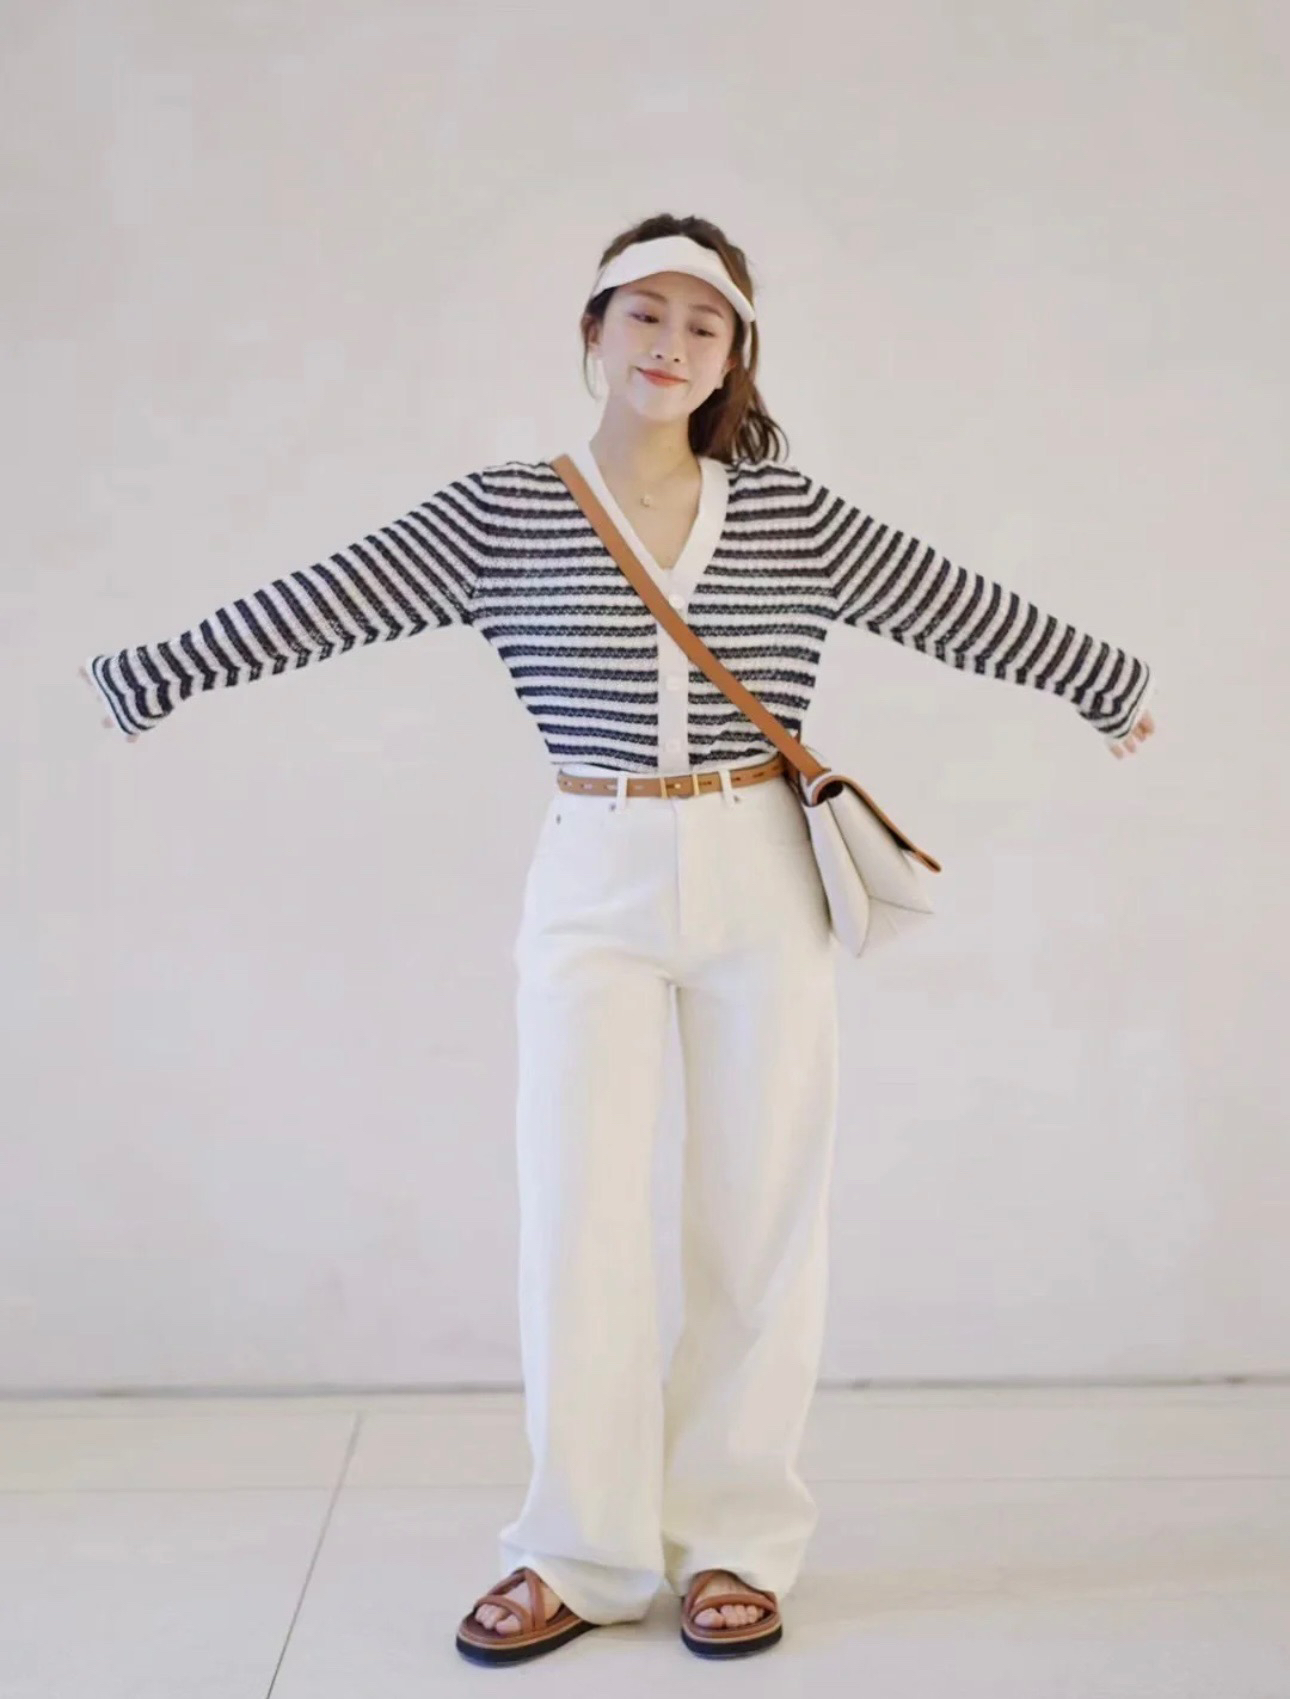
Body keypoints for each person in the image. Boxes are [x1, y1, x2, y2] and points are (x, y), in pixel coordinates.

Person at [80, 214, 1157, 1667]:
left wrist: (1103, 681)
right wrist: (150, 674)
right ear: (591, 332)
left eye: (704, 325)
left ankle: (734, 1544)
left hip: (759, 865)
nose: (670, 344)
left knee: (759, 1215)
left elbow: (949, 601)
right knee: (576, 1213)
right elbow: (328, 600)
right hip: (590, 865)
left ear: (734, 357)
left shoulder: (789, 517)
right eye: (643, 313)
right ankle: (577, 1552)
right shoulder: (501, 516)